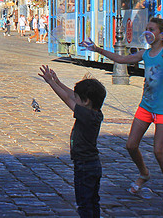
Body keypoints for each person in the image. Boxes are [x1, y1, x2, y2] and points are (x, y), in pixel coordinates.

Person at [84, 17, 163, 208]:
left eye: (151, 29)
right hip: (146, 106)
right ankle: (144, 173)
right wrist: (97, 49)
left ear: (162, 35)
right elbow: (121, 59)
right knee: (131, 145)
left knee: (159, 151)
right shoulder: (146, 53)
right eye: (147, 29)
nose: (147, 32)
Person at [38, 66, 106, 218]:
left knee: (84, 203)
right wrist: (58, 82)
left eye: (78, 98)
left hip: (84, 166)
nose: (75, 99)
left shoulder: (86, 115)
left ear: (86, 101)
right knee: (93, 201)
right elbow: (72, 96)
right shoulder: (95, 112)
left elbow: (67, 99)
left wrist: (51, 82)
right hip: (93, 165)